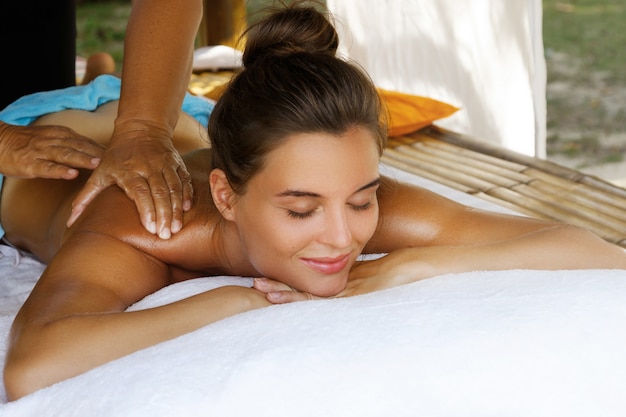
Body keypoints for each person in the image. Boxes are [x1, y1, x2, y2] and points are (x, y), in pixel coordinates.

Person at [2, 3, 625, 401]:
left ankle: (108, 78)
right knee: (86, 104)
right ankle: (96, 81)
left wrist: (417, 264)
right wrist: (228, 303)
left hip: (187, 123)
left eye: (362, 200)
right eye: (301, 210)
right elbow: (30, 368)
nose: (341, 239)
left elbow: (594, 250)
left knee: (151, 110)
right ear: (224, 196)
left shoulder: (335, 191)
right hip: (46, 142)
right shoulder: (140, 228)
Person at [0, 0, 204, 241]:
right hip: (38, 121)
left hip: (144, 107)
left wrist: (144, 128)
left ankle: (97, 77)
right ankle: (98, 76)